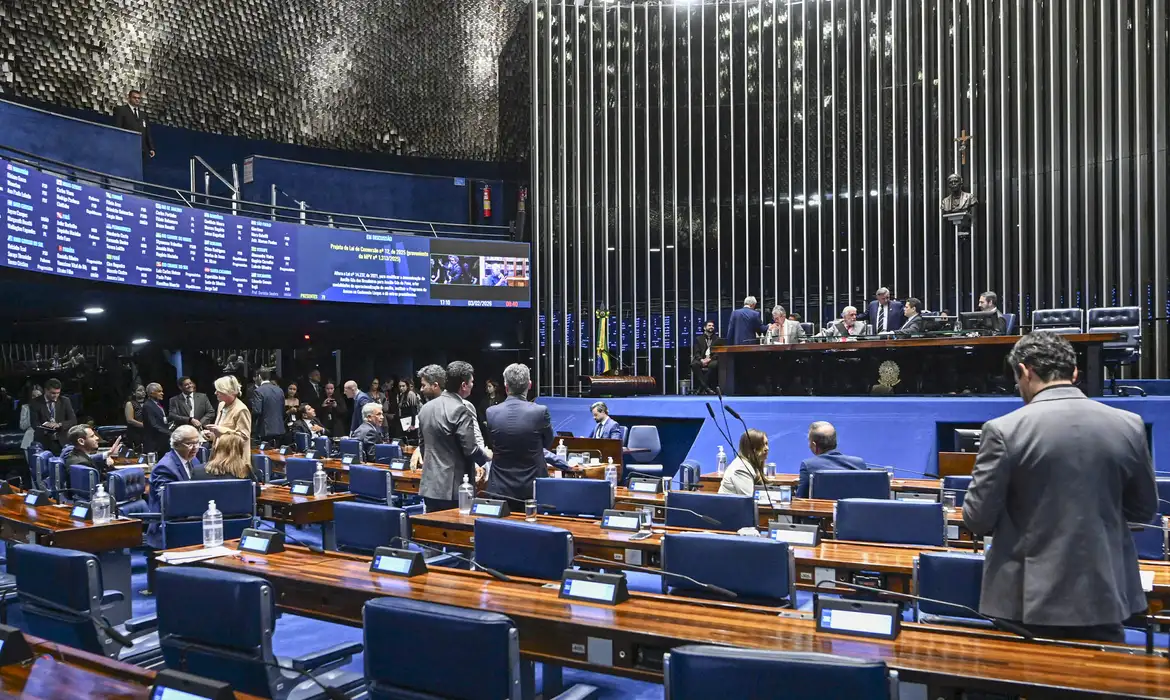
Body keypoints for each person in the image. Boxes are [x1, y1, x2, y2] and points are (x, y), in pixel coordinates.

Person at [963, 333, 1156, 642]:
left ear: (1025, 371)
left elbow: (977, 519)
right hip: (1106, 595)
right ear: (1074, 373)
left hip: (1027, 603)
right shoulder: (1129, 425)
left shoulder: (1003, 430)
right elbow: (1143, 510)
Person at [417, 363, 489, 513]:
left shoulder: (425, 408)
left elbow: (423, 447)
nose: (473, 385)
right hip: (454, 489)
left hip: (429, 486)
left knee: (430, 527)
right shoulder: (460, 409)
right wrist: (486, 457)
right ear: (464, 385)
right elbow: (470, 449)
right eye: (471, 382)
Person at [485, 363, 552, 502]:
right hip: (533, 488)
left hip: (500, 487)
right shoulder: (540, 411)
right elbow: (548, 443)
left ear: (506, 386)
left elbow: (492, 443)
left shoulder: (491, 412)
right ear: (529, 385)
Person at [146, 425, 205, 547]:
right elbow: (167, 501)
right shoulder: (165, 467)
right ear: (176, 445)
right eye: (189, 444)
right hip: (169, 527)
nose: (195, 448)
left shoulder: (194, 461)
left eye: (197, 443)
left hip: (189, 521)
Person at [795, 422, 866, 498]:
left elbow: (801, 499)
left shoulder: (808, 465)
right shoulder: (859, 463)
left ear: (814, 445)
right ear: (836, 441)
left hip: (821, 506)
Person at [28, 378, 77, 454]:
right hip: (43, 441)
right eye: (53, 393)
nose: (56, 395)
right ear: (46, 390)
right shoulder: (35, 402)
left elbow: (73, 420)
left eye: (58, 393)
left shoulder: (65, 401)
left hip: (62, 442)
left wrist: (59, 424)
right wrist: (46, 426)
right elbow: (34, 423)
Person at [112, 89, 155, 175]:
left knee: (137, 173)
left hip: (141, 150)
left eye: (139, 98)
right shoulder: (121, 110)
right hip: (126, 148)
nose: (137, 100)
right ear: (129, 98)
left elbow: (147, 132)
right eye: (134, 98)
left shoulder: (143, 115)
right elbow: (117, 129)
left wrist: (151, 148)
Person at [718, 429, 770, 496]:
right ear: (752, 448)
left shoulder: (750, 465)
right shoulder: (741, 469)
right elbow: (748, 498)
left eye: (766, 444)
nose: (767, 448)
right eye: (762, 445)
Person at [204, 375, 251, 442]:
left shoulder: (241, 409)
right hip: (219, 447)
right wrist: (212, 435)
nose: (215, 393)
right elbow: (219, 432)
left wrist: (223, 432)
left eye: (218, 390)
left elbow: (244, 437)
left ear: (227, 391)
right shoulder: (221, 405)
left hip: (232, 448)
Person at [250, 369, 286, 444]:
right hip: (279, 428)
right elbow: (283, 409)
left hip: (265, 429)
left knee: (265, 450)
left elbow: (257, 411)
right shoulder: (279, 390)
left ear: (259, 377)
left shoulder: (258, 391)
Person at [141, 382, 171, 456]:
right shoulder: (147, 405)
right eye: (159, 391)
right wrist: (169, 433)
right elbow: (153, 424)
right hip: (153, 442)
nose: (162, 393)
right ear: (151, 393)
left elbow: (162, 420)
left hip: (162, 441)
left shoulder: (157, 404)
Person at [691, 320, 720, 393]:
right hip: (702, 358)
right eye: (709, 325)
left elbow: (717, 353)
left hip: (712, 359)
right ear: (704, 328)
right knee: (694, 364)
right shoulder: (698, 339)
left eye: (712, 326)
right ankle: (706, 388)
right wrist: (701, 360)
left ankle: (701, 388)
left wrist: (709, 359)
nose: (711, 327)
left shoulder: (717, 339)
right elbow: (696, 352)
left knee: (714, 365)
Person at [122, 384, 146, 451]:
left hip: (146, 433)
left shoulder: (147, 403)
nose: (143, 392)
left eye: (144, 390)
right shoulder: (130, 403)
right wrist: (144, 425)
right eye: (140, 390)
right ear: (133, 393)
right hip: (135, 432)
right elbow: (130, 420)